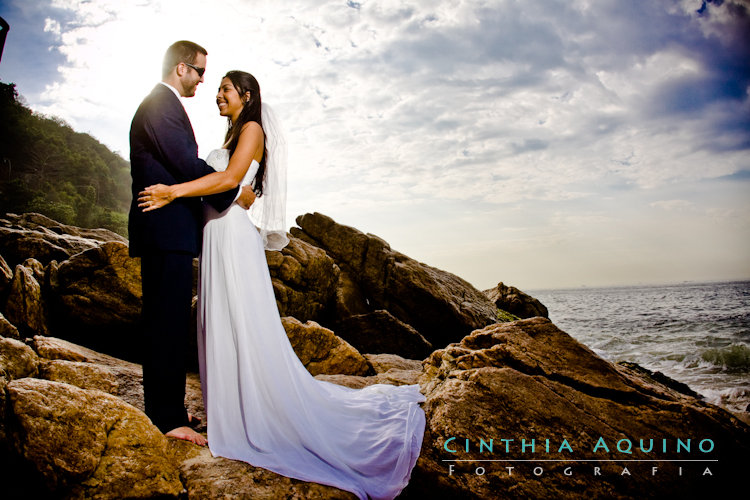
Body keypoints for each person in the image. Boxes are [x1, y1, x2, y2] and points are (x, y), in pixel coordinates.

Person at [138, 70, 426, 500]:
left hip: (232, 235)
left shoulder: (252, 128)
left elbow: (228, 181)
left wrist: (172, 193)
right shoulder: (234, 131)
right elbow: (224, 183)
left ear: (246, 95)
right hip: (215, 233)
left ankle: (257, 411)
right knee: (218, 323)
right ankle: (232, 407)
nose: (217, 94)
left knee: (241, 322)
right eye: (215, 87)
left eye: (225, 89)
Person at [128, 41, 256, 446]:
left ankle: (169, 409)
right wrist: (234, 194)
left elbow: (182, 167)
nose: (204, 81)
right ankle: (167, 417)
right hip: (166, 231)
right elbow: (186, 163)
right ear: (182, 68)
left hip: (172, 233)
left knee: (167, 321)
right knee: (165, 324)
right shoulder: (160, 105)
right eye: (201, 72)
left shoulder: (164, 105)